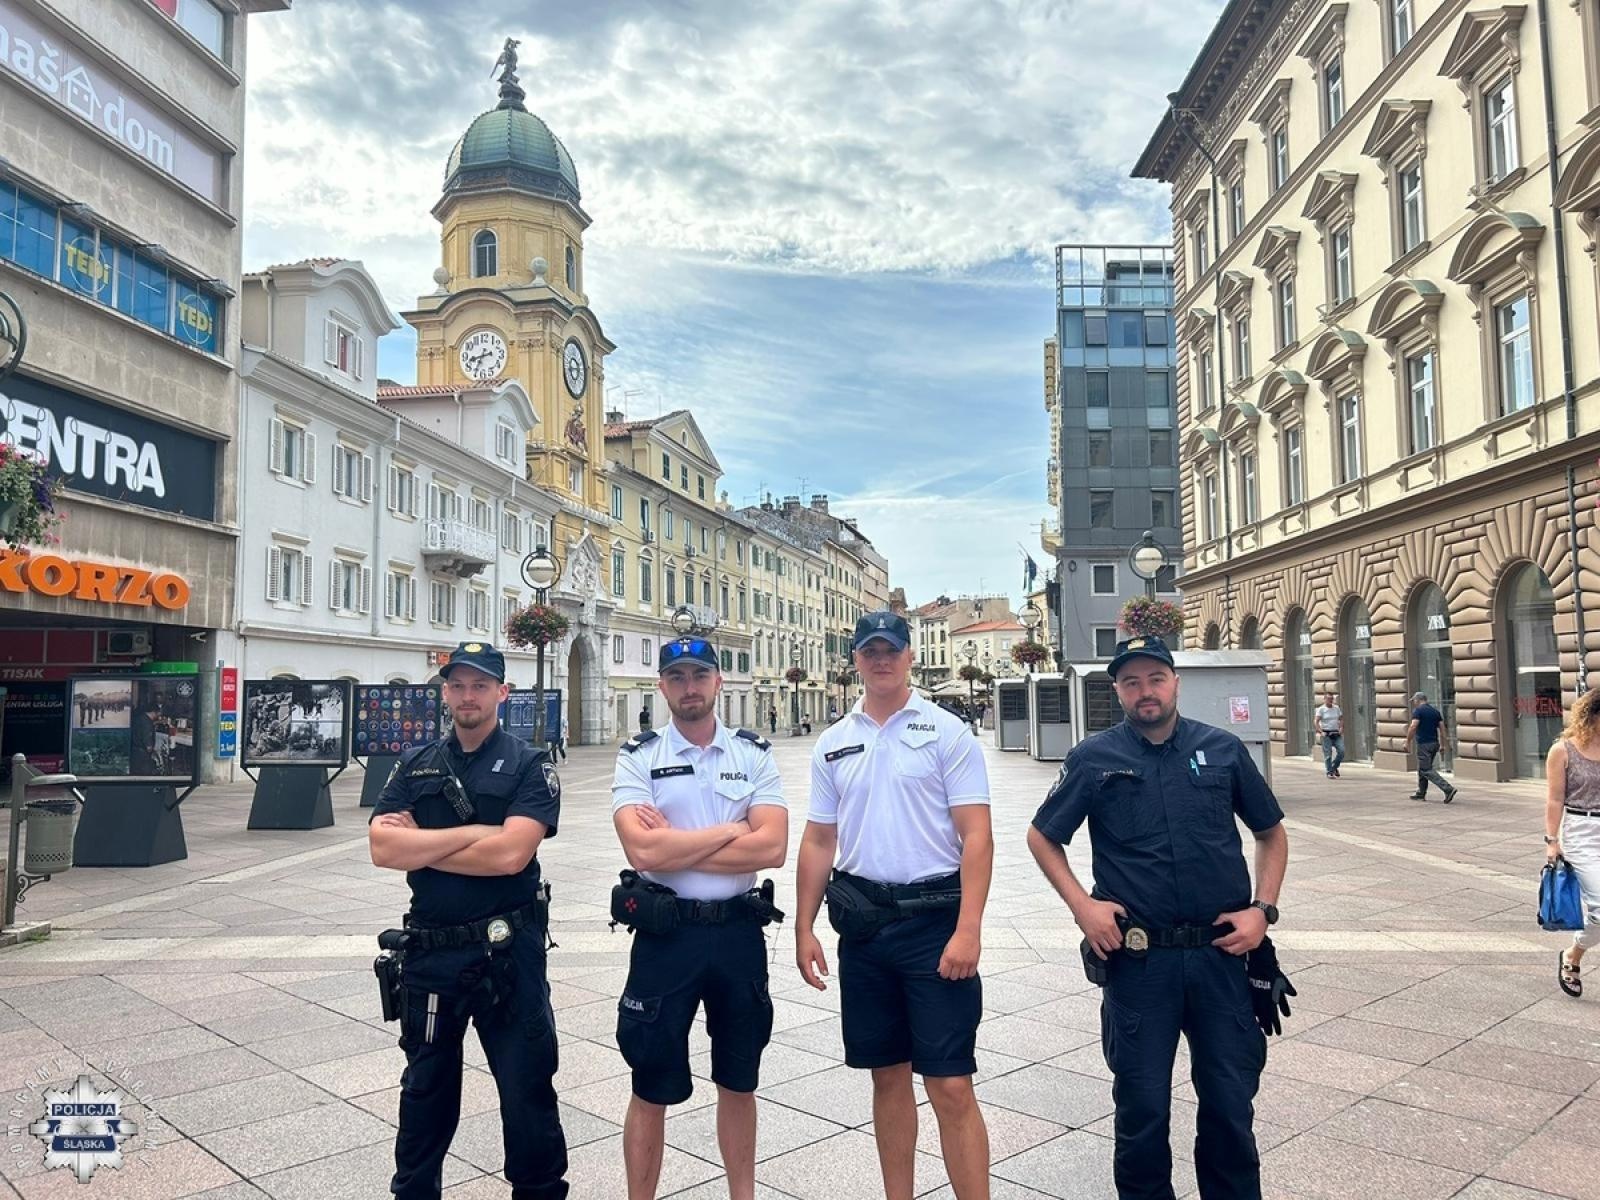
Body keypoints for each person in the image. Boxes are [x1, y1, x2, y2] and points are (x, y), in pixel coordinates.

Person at [1026, 634, 1291, 1200]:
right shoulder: (1094, 758)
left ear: (1175, 683)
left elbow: (1270, 833)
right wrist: (1083, 907)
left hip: (1222, 958)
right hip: (1139, 964)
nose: (1144, 691)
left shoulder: (1222, 749)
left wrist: (1263, 912)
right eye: (1130, 682)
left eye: (1155, 678)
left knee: (1229, 1105)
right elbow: (1043, 836)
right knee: (1142, 1110)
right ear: (1118, 690)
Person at [796, 610, 993, 1200]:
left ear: (909, 657)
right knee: (886, 1078)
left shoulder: (946, 732)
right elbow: (818, 840)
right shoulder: (834, 742)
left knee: (951, 1083)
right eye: (868, 650)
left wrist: (969, 928)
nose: (880, 659)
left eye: (891, 650)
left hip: (936, 926)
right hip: (865, 931)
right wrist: (803, 926)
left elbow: (977, 836)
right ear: (855, 658)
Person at [368, 642, 568, 1200]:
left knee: (526, 1090)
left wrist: (421, 845)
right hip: (431, 957)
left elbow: (512, 856)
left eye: (480, 685)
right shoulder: (416, 763)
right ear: (446, 692)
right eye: (457, 685)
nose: (467, 695)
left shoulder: (531, 765)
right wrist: (479, 834)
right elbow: (382, 849)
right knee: (425, 1090)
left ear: (502, 693)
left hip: (508, 956)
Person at [610, 635, 789, 1200]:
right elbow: (642, 853)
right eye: (678, 677)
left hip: (738, 933)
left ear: (717, 681)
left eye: (700, 675)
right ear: (662, 687)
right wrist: (734, 830)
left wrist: (677, 841)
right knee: (650, 1082)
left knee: (740, 1080)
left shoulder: (753, 753)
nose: (690, 687)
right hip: (667, 936)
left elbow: (774, 848)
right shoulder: (639, 756)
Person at [1545, 691, 1600, 999]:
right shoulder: (1563, 750)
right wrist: (1552, 841)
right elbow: (1554, 800)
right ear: (1591, 715)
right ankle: (1573, 953)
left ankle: (1574, 955)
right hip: (1582, 830)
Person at [1405, 691, 1457, 803]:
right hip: (1434, 744)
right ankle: (1421, 793)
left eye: (1414, 701)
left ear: (1418, 700)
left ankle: (1448, 789)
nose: (1414, 703)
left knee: (1426, 769)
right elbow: (1443, 730)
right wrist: (1442, 745)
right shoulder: (1435, 712)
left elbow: (1413, 726)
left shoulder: (1418, 711)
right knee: (1422, 768)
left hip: (1424, 744)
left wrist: (1407, 742)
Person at [1313, 691, 1344, 778]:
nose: (1330, 701)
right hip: (1326, 734)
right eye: (1328, 699)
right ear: (1325, 699)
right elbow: (1316, 721)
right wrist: (1320, 731)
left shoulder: (1336, 708)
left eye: (1332, 699)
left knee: (1342, 751)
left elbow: (1341, 719)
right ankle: (1329, 772)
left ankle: (1334, 767)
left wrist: (1341, 728)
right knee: (1328, 754)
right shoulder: (1321, 709)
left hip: (1336, 733)